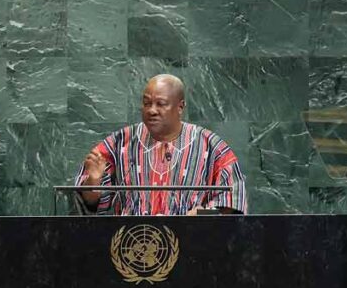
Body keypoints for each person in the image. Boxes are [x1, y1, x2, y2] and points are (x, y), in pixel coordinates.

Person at [74, 75, 247, 216]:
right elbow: (90, 204)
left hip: (194, 243)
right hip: (133, 244)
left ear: (180, 107)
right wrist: (93, 183)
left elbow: (232, 201)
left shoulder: (211, 146)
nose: (152, 110)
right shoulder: (120, 142)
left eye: (161, 104)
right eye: (147, 103)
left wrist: (201, 214)